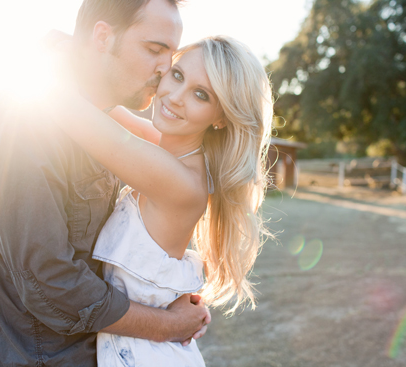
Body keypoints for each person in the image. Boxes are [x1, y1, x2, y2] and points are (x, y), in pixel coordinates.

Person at [0, 0, 210, 365]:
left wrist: (164, 300)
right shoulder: (20, 123)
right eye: (155, 50)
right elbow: (51, 284)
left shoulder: (101, 126)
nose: (165, 69)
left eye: (171, 54)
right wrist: (167, 324)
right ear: (103, 37)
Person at [46, 35, 274, 366]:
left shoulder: (178, 181)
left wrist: (59, 51)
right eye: (177, 75)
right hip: (137, 345)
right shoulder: (173, 148)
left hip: (145, 355)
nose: (175, 97)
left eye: (201, 95)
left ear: (220, 117)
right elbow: (111, 112)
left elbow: (69, 111)